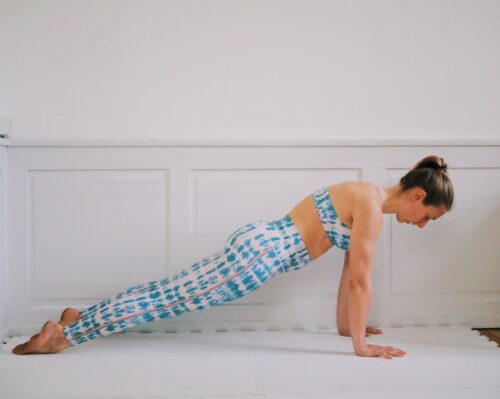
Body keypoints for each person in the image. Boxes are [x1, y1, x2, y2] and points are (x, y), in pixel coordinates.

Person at [12, 155, 453, 359]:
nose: (421, 225)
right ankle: (65, 335)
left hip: (258, 243)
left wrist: (346, 330)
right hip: (259, 257)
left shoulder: (363, 196)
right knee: (166, 299)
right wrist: (361, 346)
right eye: (427, 216)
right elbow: (361, 281)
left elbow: (348, 274)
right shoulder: (372, 209)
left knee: (164, 292)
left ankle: (79, 316)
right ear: (417, 195)